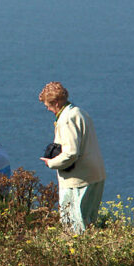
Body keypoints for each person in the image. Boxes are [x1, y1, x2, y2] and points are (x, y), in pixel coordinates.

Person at [38, 82, 105, 234]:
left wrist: (52, 163)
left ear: (56, 103)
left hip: (78, 180)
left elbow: (71, 153)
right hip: (95, 175)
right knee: (89, 224)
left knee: (73, 227)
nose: (48, 109)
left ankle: (77, 256)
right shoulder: (79, 112)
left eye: (48, 105)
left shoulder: (66, 119)